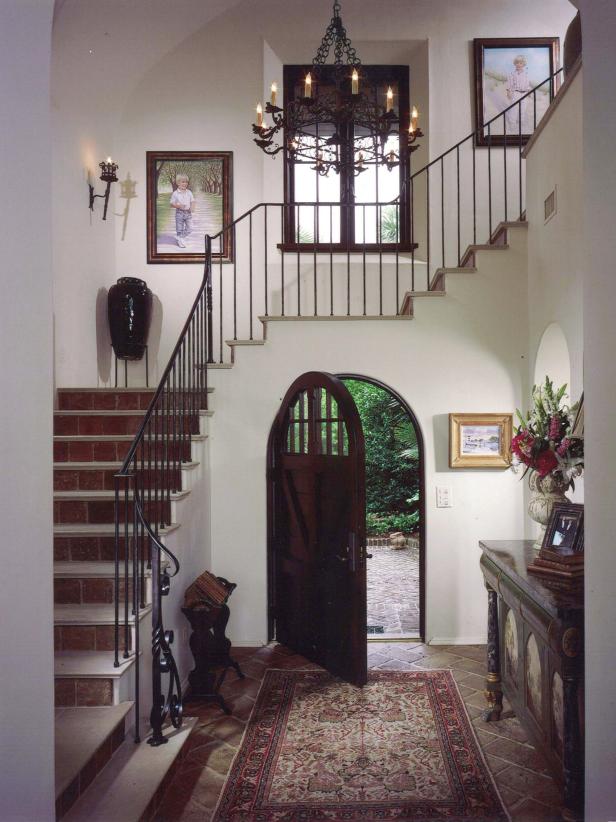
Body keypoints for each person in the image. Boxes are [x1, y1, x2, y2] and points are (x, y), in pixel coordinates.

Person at [505, 54, 531, 133]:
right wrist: (509, 92)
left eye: (520, 63)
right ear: (515, 64)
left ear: (523, 64)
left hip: (524, 93)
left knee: (523, 109)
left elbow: (528, 84)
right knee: (514, 109)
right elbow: (509, 84)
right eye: (517, 63)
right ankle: (512, 124)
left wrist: (529, 92)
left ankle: (521, 123)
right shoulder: (512, 74)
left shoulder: (526, 74)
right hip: (516, 93)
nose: (519, 65)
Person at [170, 174, 195, 248]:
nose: (185, 184)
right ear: (178, 183)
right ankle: (180, 241)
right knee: (179, 229)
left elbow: (193, 201)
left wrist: (192, 208)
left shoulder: (189, 192)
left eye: (186, 182)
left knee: (190, 228)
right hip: (179, 213)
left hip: (188, 213)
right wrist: (178, 206)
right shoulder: (175, 193)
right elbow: (171, 204)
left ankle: (180, 237)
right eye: (183, 182)